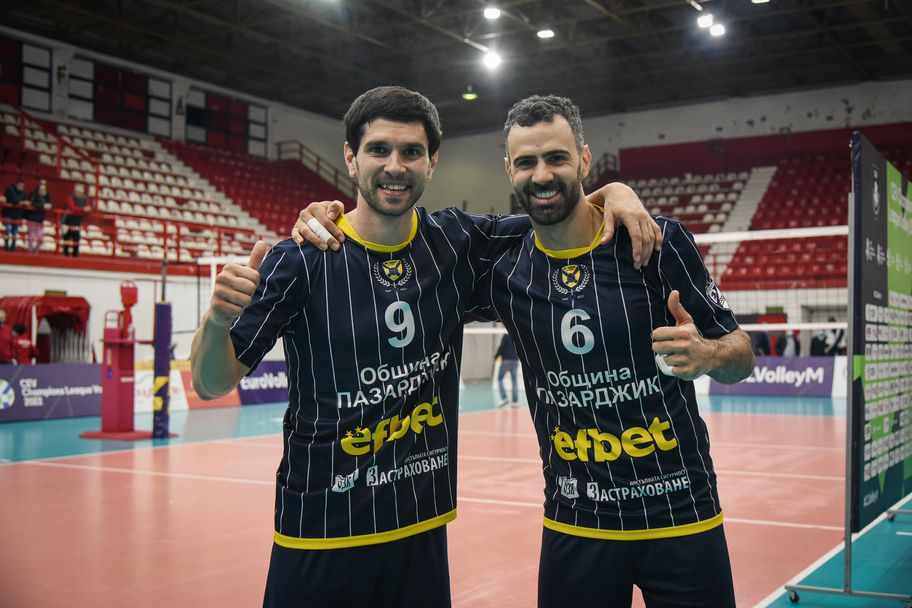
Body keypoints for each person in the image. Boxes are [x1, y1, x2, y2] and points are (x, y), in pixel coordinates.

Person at [191, 86, 659, 608]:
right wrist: (217, 320)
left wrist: (614, 192)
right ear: (351, 156)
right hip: (318, 534)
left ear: (432, 162)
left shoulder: (456, 245)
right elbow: (210, 383)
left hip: (419, 530)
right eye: (378, 149)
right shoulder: (302, 257)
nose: (395, 166)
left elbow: (553, 207)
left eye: (411, 151)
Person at [294, 95, 754, 607]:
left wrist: (709, 355)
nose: (542, 175)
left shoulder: (656, 241)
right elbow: (394, 244)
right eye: (527, 162)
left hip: (684, 515)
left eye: (557, 158)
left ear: (584, 159)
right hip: (577, 521)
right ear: (509, 169)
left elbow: (741, 353)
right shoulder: (503, 268)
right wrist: (327, 214)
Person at [62, 183, 91, 256]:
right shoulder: (70, 198)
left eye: (80, 193)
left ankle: (75, 255)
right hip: (67, 222)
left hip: (77, 223)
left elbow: (88, 208)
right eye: (77, 192)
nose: (79, 194)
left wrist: (83, 209)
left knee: (76, 240)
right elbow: (72, 207)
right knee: (66, 239)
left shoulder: (85, 199)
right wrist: (82, 209)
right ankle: (65, 255)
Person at [26, 179, 51, 254]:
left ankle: (36, 251)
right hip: (32, 219)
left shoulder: (47, 197)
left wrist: (50, 206)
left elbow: (52, 204)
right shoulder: (33, 194)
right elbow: (32, 203)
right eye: (41, 189)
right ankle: (30, 252)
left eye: (44, 189)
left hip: (40, 220)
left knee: (40, 238)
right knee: (31, 237)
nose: (43, 190)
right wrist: (43, 206)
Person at [494, 333, 520, 407]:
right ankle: (515, 402)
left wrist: (496, 357)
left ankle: (504, 398)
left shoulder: (505, 336)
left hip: (506, 360)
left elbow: (501, 347)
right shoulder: (515, 336)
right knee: (514, 380)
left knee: (500, 378)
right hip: (515, 361)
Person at [2, 178, 27, 252]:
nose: (21, 187)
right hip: (8, 214)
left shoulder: (23, 193)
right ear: (16, 184)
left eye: (22, 186)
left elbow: (24, 202)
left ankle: (13, 247)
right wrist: (20, 202)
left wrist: (22, 203)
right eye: (20, 185)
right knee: (8, 229)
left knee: (15, 232)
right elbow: (12, 200)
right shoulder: (9, 190)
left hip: (17, 215)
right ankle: (6, 246)